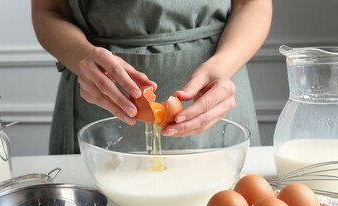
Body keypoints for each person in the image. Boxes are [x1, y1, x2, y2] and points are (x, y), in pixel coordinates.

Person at [31, 0, 272, 154]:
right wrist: (81, 56)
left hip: (215, 93)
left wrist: (221, 65)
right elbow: (48, 10)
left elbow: (252, 4)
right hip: (99, 97)